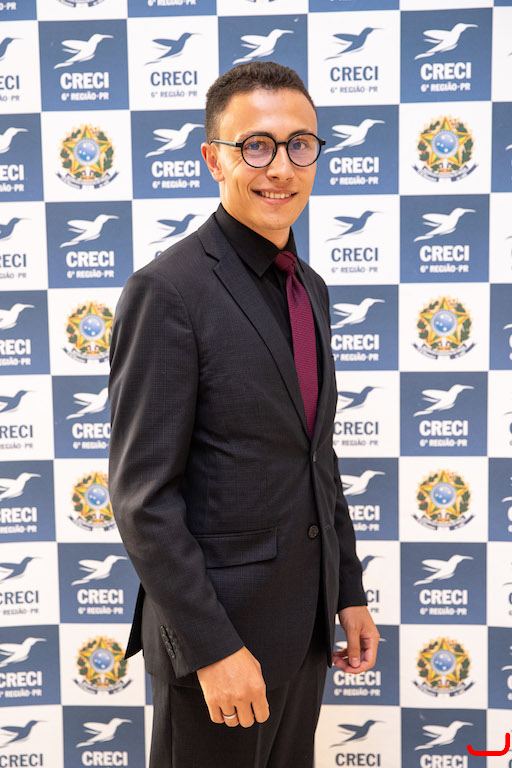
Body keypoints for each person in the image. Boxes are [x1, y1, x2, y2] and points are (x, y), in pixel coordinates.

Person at [108, 61, 379, 768]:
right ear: (214, 159)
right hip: (220, 650)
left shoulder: (309, 287)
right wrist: (213, 648)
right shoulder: (167, 292)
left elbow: (315, 457)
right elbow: (143, 499)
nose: (280, 167)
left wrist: (347, 590)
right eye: (255, 145)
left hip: (305, 630)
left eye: (299, 144)